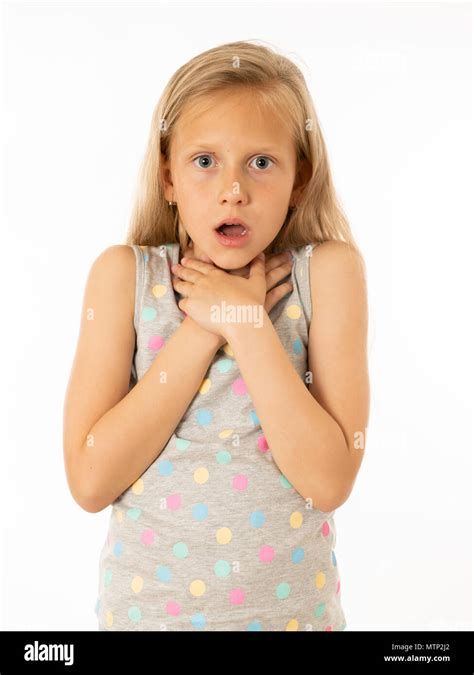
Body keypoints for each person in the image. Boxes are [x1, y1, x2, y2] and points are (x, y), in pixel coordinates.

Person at [63, 39, 370, 631]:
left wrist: (249, 326)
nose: (234, 189)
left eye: (261, 162)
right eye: (205, 161)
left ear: (300, 180)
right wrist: (205, 328)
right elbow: (90, 480)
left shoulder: (326, 275)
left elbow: (329, 480)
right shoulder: (123, 278)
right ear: (168, 176)